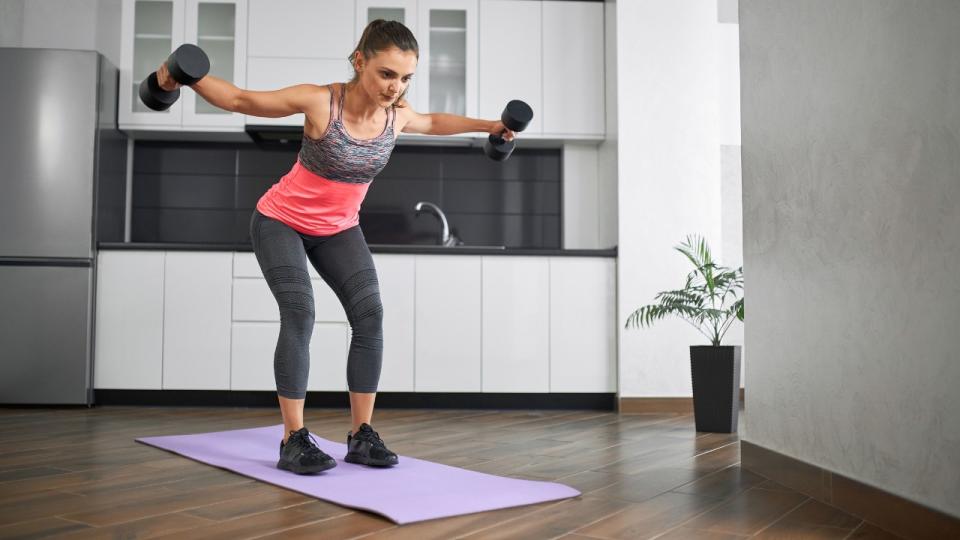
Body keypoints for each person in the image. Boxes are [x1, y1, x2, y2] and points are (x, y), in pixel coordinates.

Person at [155, 19, 517, 475]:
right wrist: (183, 74)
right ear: (360, 61)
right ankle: (292, 439)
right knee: (301, 312)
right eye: (387, 74)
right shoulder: (321, 101)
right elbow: (242, 100)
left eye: (405, 78)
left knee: (371, 316)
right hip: (279, 221)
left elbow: (433, 122)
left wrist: (494, 125)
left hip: (339, 229)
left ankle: (361, 436)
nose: (395, 87)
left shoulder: (396, 115)